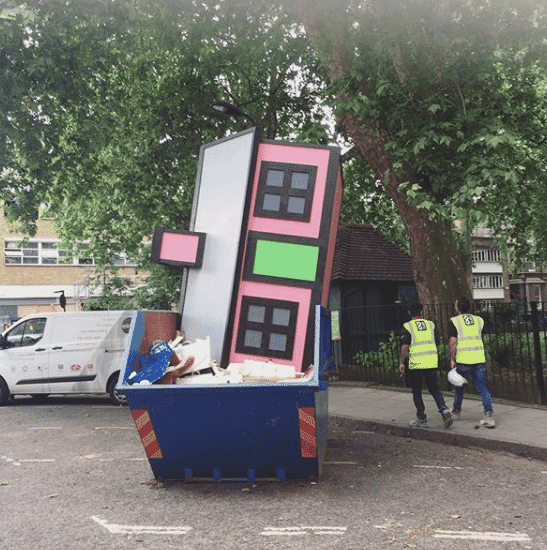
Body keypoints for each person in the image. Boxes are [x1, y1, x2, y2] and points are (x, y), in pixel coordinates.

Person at [399, 303, 453, 429]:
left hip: (416, 364)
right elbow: (436, 341)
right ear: (422, 312)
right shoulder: (431, 325)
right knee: (434, 389)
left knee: (417, 391)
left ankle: (421, 418)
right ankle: (444, 410)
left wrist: (401, 362)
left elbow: (405, 346)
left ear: (409, 313)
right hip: (431, 362)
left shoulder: (408, 326)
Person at [449, 297, 495, 428]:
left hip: (463, 359)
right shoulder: (479, 320)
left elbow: (453, 342)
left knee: (459, 387)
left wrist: (452, 359)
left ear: (457, 308)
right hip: (479, 358)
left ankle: (456, 410)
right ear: (469, 307)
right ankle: (489, 415)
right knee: (483, 387)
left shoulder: (454, 321)